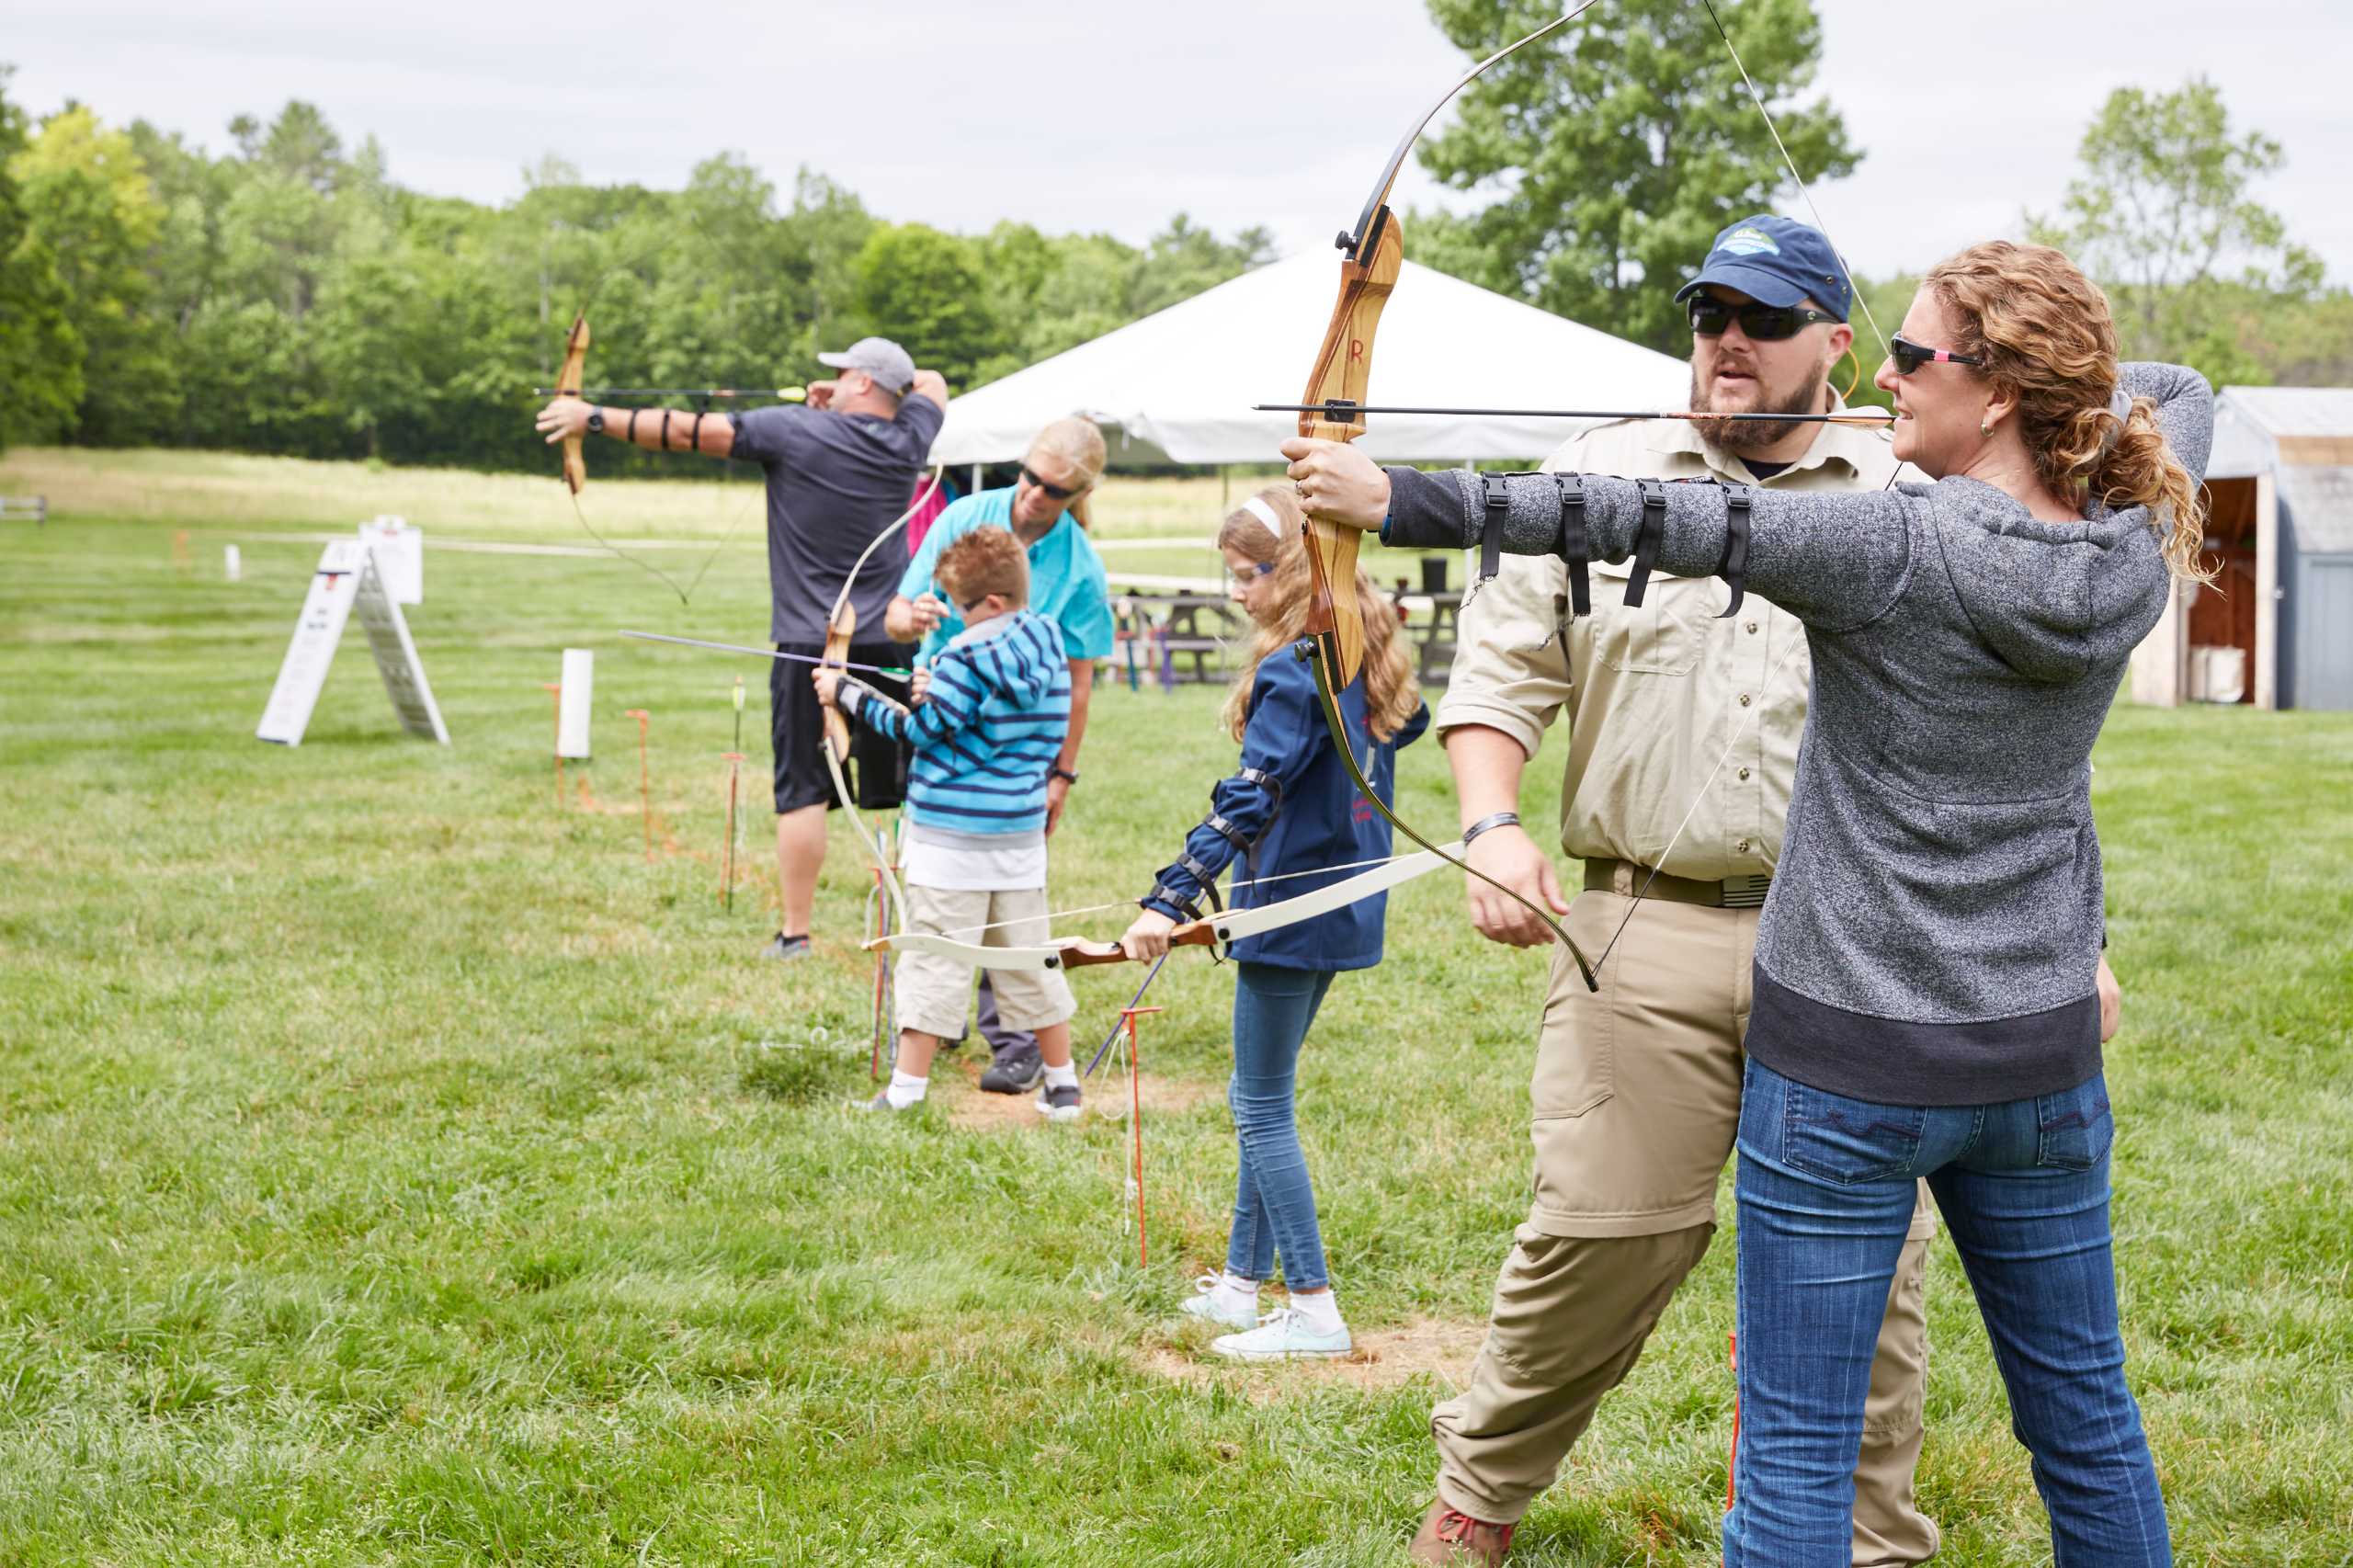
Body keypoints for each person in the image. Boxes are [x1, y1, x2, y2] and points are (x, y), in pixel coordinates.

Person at [1289, 239, 2206, 1566]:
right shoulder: (2121, 550)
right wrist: (2056, 408)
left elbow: (1651, 525)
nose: (1891, 372)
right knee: (2086, 1414)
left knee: (1797, 1444)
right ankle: (1482, 1491)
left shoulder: (1890, 528)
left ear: (1993, 387)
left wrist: (1398, 496)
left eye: (1908, 350)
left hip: (1847, 1046)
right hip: (2029, 1048)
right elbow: (2177, 390)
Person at [1377, 213, 1953, 1568]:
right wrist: (1495, 823)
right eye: (1709, 316)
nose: (1728, 342)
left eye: (1762, 319)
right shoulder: (1596, 475)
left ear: (1836, 340)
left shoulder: (1906, 490)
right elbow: (1503, 673)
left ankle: (1863, 1542)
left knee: (1866, 1284)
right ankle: (1474, 1509)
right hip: (1640, 922)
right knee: (1598, 1236)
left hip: (1858, 946)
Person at [1117, 485, 1428, 1360]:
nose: (1238, 596)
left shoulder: (1301, 667)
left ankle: (1316, 1309)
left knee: (1257, 1107)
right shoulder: (1361, 651)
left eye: (1246, 577)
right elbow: (1411, 728)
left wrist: (1169, 898)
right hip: (1339, 901)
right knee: (1268, 1096)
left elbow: (1250, 797)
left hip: (1293, 908)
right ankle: (1244, 1289)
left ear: (1287, 573)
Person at [537, 335, 948, 961]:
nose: (831, 382)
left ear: (863, 383)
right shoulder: (910, 437)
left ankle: (796, 934)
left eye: (841, 375)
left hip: (810, 646)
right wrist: (843, 401)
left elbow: (685, 431)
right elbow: (933, 383)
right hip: (887, 642)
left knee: (803, 790)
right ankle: (921, 928)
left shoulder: (793, 431)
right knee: (907, 789)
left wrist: (590, 418)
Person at [813, 526, 1086, 1120]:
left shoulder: (963, 656)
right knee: (1026, 955)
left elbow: (920, 731)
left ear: (988, 603)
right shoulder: (1046, 640)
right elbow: (982, 714)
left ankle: (905, 1094)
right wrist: (935, 691)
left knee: (935, 956)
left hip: (950, 844)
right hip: (1017, 838)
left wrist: (847, 693)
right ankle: (1062, 1084)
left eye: (960, 607)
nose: (955, 619)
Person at [888, 419, 1115, 1094]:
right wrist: (916, 618)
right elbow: (895, 616)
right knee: (964, 899)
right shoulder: (963, 515)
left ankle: (1007, 1045)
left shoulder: (1080, 568)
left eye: (1054, 489)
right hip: (941, 722)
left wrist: (1062, 774)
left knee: (1001, 912)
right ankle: (943, 1031)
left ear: (1080, 493)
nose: (1033, 495)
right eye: (1029, 476)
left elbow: (1078, 681)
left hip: (999, 762)